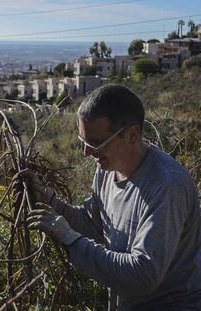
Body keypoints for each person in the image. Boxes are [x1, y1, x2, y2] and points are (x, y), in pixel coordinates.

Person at [25, 84, 201, 310]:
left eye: (96, 143)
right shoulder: (107, 170)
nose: (86, 152)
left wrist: (71, 239)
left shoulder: (166, 186)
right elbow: (94, 224)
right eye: (83, 141)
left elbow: (142, 275)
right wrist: (49, 201)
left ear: (132, 134)